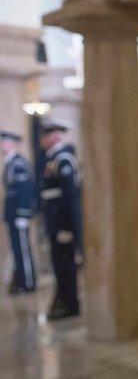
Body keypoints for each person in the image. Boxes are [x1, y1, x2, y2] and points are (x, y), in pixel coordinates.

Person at [39, 120, 81, 320]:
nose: (43, 140)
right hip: (55, 220)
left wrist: (66, 227)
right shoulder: (52, 158)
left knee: (66, 264)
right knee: (59, 264)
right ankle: (64, 300)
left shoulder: (63, 159)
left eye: (46, 136)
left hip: (61, 222)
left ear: (54, 137)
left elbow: (69, 197)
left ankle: (70, 304)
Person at [1, 131, 36, 295]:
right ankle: (21, 280)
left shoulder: (18, 164)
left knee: (22, 249)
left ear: (12, 144)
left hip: (18, 214)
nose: (2, 146)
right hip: (12, 214)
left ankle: (28, 282)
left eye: (4, 142)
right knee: (17, 249)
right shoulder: (10, 163)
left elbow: (24, 191)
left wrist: (23, 214)